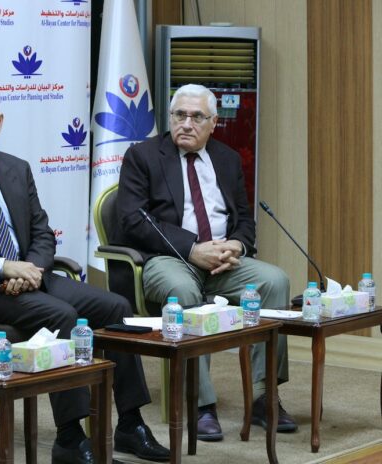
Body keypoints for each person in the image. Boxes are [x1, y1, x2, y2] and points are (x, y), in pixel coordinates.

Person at [0, 86, 170, 463]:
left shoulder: (16, 168)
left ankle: (130, 423)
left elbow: (42, 232)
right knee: (62, 317)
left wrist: (30, 268)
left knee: (116, 307)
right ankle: (70, 438)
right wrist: (3, 267)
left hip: (32, 279)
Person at [113, 83, 297, 441]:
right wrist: (192, 249)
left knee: (275, 280)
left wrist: (237, 246)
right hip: (167, 259)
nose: (186, 123)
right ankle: (200, 404)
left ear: (214, 123)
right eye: (179, 115)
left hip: (222, 262)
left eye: (197, 117)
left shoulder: (227, 159)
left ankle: (264, 395)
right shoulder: (142, 156)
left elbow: (244, 218)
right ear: (170, 117)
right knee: (183, 290)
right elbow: (133, 220)